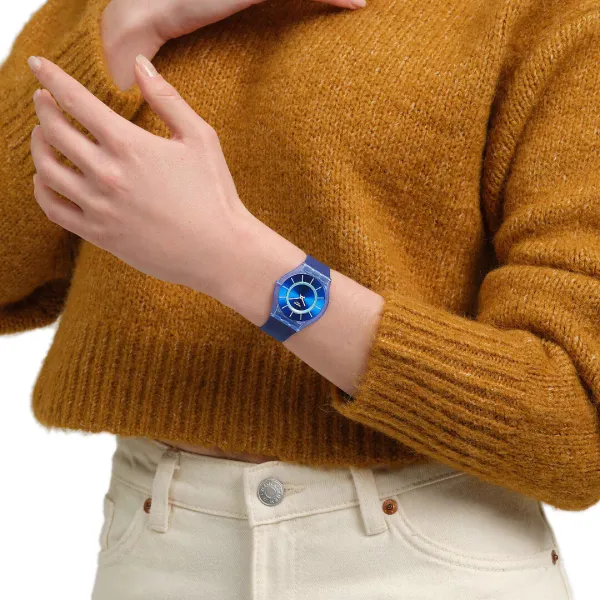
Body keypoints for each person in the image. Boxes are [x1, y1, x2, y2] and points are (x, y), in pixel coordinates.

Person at [1, 0, 599, 597]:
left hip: (427, 558)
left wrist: (236, 260)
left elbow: (573, 425)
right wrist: (131, 23)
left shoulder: (548, 16)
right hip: (155, 545)